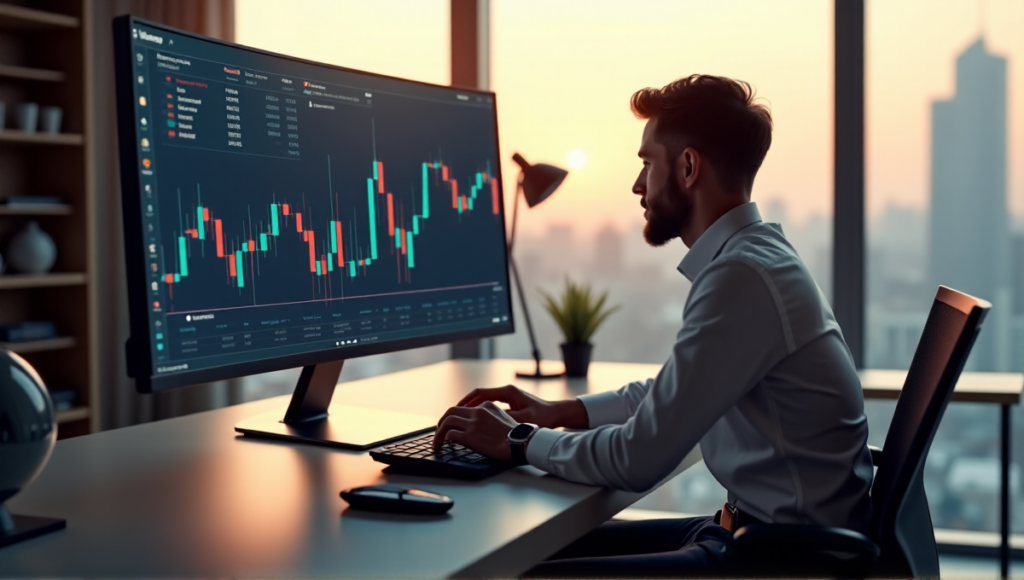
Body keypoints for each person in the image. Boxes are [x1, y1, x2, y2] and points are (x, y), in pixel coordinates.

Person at [433, 74, 874, 577]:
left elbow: (637, 457)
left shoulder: (741, 276)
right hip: (753, 535)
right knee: (534, 556)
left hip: (781, 560)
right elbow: (671, 392)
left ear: (688, 167)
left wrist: (518, 440)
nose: (637, 185)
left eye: (647, 163)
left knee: (517, 571)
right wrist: (560, 412)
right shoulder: (756, 258)